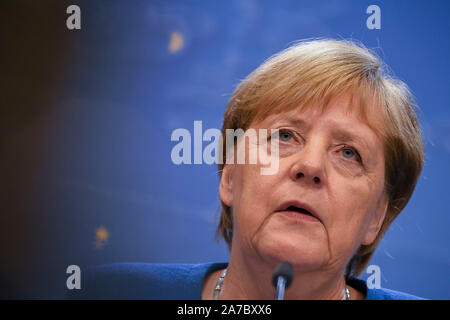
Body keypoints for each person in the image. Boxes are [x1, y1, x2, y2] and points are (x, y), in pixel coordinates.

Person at [68, 39, 425, 300]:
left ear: (377, 216)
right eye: (285, 135)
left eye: (349, 153)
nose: (311, 166)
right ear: (229, 174)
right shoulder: (110, 293)